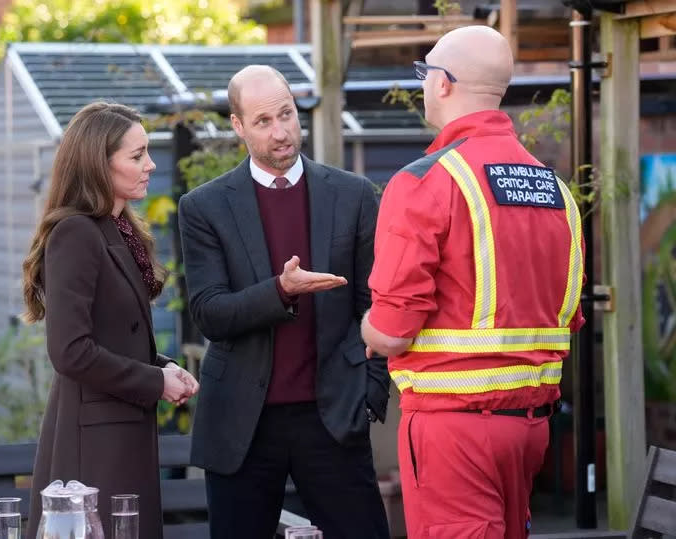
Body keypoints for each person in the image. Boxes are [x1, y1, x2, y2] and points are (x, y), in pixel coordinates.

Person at [361, 26, 586, 539]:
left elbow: (394, 331)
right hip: (530, 426)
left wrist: (365, 328)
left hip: (452, 429)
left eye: (425, 73)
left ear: (443, 83)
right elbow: (565, 315)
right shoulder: (556, 191)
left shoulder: (423, 181)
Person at [178, 65, 391, 539]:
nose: (281, 133)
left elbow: (375, 304)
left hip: (334, 415)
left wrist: (370, 394)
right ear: (237, 126)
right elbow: (210, 313)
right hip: (241, 425)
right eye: (263, 122)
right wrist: (282, 290)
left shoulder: (352, 195)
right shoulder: (204, 207)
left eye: (287, 115)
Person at [22, 102, 199, 539]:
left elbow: (116, 336)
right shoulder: (76, 233)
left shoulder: (116, 229)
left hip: (121, 431)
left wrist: (161, 366)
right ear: (99, 164)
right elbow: (70, 351)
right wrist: (156, 383)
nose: (150, 165)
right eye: (136, 156)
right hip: (95, 446)